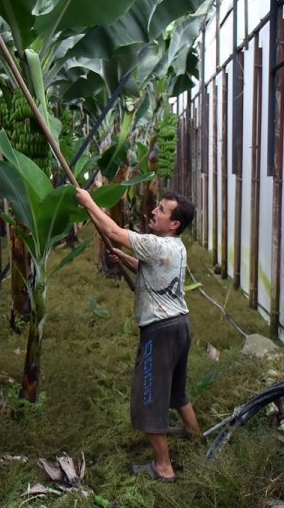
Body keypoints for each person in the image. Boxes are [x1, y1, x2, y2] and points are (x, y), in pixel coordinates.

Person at [75, 187, 201, 482]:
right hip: (180, 325)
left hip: (159, 331)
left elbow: (115, 231)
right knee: (176, 391)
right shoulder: (176, 248)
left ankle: (163, 468)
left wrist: (88, 202)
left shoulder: (157, 245)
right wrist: (125, 259)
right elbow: (153, 272)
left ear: (174, 225)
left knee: (150, 398)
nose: (154, 212)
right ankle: (195, 435)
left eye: (162, 210)